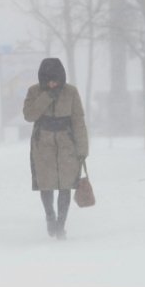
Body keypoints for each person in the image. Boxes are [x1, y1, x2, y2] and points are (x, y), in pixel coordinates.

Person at [23, 58, 88, 240]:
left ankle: (61, 224)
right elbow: (29, 115)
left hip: (67, 144)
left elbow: (78, 121)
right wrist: (47, 97)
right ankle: (50, 216)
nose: (53, 83)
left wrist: (82, 149)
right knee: (46, 184)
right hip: (42, 144)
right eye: (49, 79)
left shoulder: (71, 92)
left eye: (56, 79)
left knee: (65, 185)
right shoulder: (34, 91)